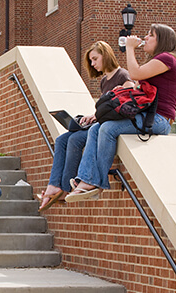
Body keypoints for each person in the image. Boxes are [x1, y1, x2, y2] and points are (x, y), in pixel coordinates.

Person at [65, 24, 176, 202]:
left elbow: (134, 73)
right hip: (147, 116)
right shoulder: (158, 61)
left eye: (151, 35)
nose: (146, 37)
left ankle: (96, 182)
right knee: (97, 128)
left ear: (162, 40)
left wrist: (130, 47)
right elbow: (142, 86)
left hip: (159, 120)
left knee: (108, 128)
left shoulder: (167, 59)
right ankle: (86, 180)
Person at [38, 41, 133, 211]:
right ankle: (53, 184)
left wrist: (98, 116)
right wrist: (91, 117)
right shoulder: (105, 81)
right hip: (99, 122)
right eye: (91, 61)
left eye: (95, 59)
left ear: (106, 55)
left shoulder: (123, 76)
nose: (93, 64)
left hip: (108, 127)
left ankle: (64, 188)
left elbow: (128, 106)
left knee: (74, 139)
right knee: (61, 140)